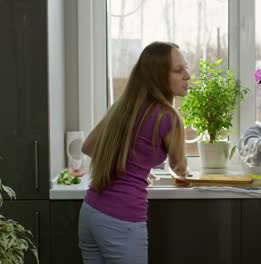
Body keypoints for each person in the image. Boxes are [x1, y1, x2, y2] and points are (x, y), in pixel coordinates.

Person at [78, 41, 190, 264]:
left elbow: (88, 146)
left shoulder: (124, 106)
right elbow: (180, 169)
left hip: (91, 212)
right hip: (122, 221)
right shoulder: (168, 117)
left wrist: (135, 169)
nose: (187, 75)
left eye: (185, 68)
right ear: (159, 76)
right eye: (178, 70)